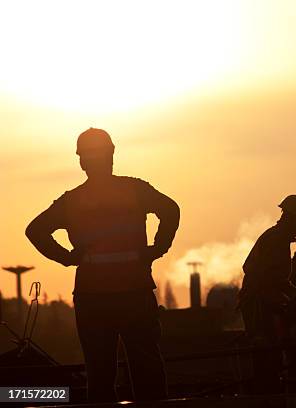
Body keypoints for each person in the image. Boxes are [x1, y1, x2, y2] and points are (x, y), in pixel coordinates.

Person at [25, 128, 180, 402]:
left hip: (93, 298)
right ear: (111, 154)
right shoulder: (134, 190)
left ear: (82, 161)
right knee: (147, 371)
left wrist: (68, 257)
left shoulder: (72, 201)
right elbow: (170, 209)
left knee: (100, 374)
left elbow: (35, 231)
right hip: (134, 293)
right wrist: (157, 248)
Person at [238, 194, 296, 393]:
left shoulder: (278, 239)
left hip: (262, 302)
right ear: (290, 218)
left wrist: (291, 293)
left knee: (270, 353)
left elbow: (276, 279)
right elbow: (265, 279)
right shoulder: (275, 240)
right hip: (259, 305)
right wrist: (286, 300)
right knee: (266, 352)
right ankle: (266, 393)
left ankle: (269, 388)